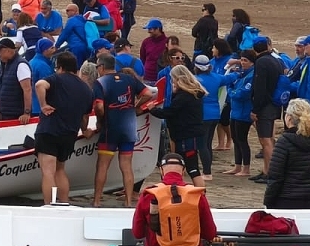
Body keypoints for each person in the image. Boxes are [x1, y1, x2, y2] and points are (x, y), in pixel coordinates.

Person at [131, 153, 218, 246]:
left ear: (161, 170)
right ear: (183, 171)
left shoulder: (149, 195)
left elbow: (137, 233)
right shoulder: (196, 195)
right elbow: (210, 233)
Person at [34, 52, 95, 205]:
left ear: (60, 67)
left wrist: (43, 105)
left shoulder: (57, 79)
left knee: (48, 172)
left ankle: (49, 204)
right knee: (60, 170)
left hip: (49, 130)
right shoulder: (86, 89)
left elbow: (39, 85)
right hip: (69, 133)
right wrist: (85, 130)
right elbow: (84, 117)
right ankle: (64, 202)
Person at [92, 53, 153, 207]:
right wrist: (136, 107)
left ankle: (97, 201)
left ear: (102, 67)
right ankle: (127, 202)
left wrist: (100, 120)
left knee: (102, 165)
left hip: (110, 129)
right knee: (126, 166)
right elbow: (148, 93)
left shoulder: (100, 82)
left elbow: (99, 106)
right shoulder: (129, 79)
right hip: (128, 128)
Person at [150, 66, 208, 187]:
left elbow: (169, 112)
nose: (172, 83)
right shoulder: (194, 93)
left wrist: (153, 110)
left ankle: (201, 195)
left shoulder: (184, 96)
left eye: (173, 80)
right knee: (187, 166)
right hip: (191, 134)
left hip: (187, 135)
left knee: (192, 169)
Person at [264, 98, 310, 209]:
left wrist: (268, 201)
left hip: (285, 198)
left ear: (289, 118)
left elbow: (276, 175)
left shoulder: (284, 141)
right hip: (308, 198)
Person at [250, 39, 285, 183]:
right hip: (274, 104)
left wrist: (255, 109)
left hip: (265, 106)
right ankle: (266, 170)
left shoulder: (262, 62)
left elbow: (260, 88)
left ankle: (269, 172)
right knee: (268, 139)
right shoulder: (276, 60)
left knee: (265, 140)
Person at [194, 55, 232, 180]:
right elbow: (230, 78)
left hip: (202, 115)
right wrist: (238, 70)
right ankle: (207, 171)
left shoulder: (195, 80)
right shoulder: (216, 77)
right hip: (215, 114)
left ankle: (207, 172)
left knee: (202, 144)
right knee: (208, 143)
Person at [223, 50, 257, 177]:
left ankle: (246, 168)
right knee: (236, 139)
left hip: (244, 111)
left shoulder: (251, 76)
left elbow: (242, 94)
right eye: (242, 60)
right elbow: (232, 87)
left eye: (245, 60)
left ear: (252, 63)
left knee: (242, 140)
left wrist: (231, 91)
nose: (242, 63)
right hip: (235, 111)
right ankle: (237, 166)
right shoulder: (241, 74)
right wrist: (232, 89)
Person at [0, 37, 34, 123]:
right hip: (6, 114)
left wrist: (26, 112)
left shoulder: (21, 65)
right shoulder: (5, 65)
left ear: (7, 50)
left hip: (16, 115)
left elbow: (27, 89)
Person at [140, 18, 169, 83]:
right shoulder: (146, 42)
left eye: (150, 29)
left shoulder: (167, 42)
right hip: (147, 77)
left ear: (158, 29)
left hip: (162, 78)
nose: (148, 31)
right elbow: (142, 58)